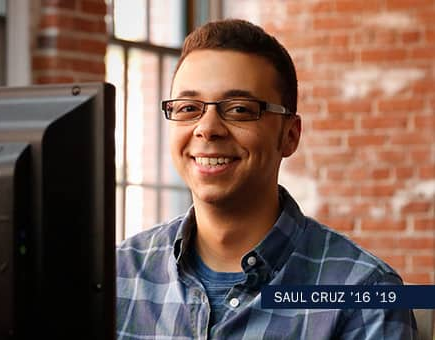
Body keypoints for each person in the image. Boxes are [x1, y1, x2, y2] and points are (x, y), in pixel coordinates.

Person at [116, 19, 417, 339]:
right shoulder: (116, 276)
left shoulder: (366, 295)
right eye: (189, 107)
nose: (207, 128)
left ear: (289, 135)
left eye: (240, 110)